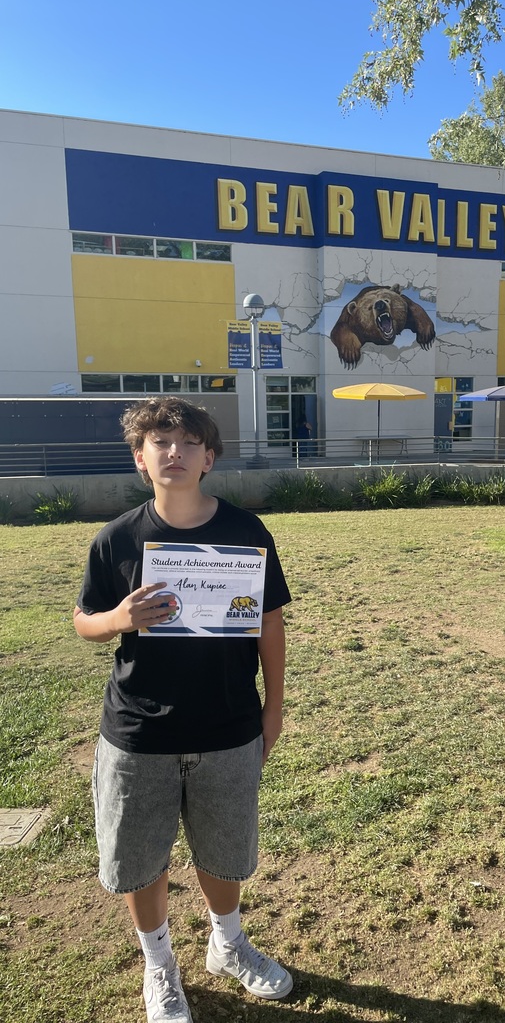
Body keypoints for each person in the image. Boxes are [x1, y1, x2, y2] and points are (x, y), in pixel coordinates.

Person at [73, 397, 293, 1023]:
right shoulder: (116, 539)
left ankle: (228, 943)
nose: (175, 452)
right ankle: (159, 962)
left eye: (189, 441)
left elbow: (269, 623)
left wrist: (274, 708)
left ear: (209, 457)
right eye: (159, 442)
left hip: (227, 725)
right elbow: (84, 621)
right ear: (141, 459)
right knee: (142, 856)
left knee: (223, 850)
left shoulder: (247, 533)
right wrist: (118, 618)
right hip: (139, 733)